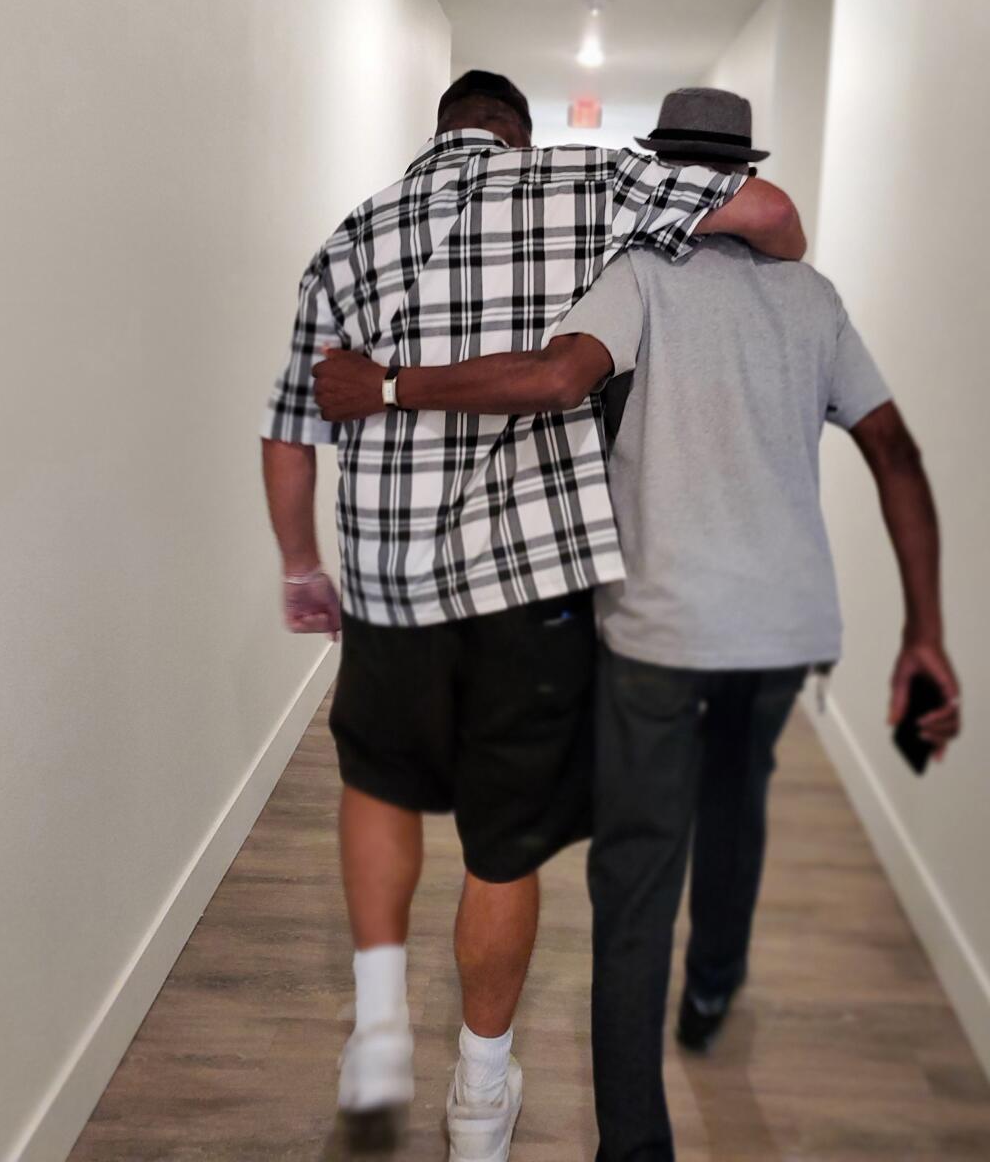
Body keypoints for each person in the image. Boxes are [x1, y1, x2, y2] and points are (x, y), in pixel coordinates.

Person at [313, 86, 961, 1162]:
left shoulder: (637, 275)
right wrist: (925, 630)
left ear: (666, 166)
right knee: (736, 800)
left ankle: (634, 1147)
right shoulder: (815, 296)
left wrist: (387, 386)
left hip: (661, 627)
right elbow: (894, 450)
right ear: (739, 173)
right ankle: (712, 989)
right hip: (784, 622)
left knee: (633, 889)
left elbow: (555, 378)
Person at [260, 70, 805, 1158]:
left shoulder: (350, 233)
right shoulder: (587, 182)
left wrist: (299, 563)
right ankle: (480, 1092)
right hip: (529, 583)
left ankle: (375, 1031)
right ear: (517, 132)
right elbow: (776, 222)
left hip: (388, 579)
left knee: (378, 783)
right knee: (501, 845)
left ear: (440, 133)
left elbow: (292, 425)